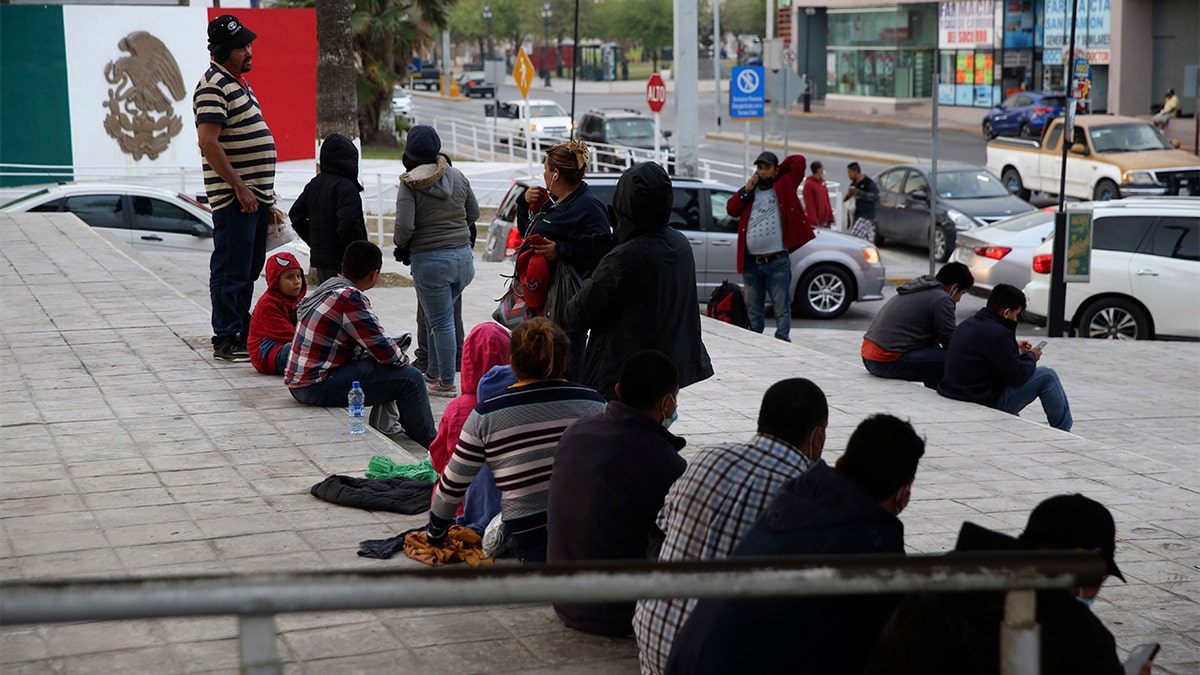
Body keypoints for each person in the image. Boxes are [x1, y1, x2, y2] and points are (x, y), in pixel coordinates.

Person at [666, 414, 926, 675]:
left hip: (684, 661)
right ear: (903, 493)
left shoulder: (794, 497)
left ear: (839, 463)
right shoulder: (874, 543)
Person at [633, 378, 829, 675]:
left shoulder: (707, 458)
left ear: (760, 421)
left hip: (656, 643)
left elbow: (660, 533)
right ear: (816, 437)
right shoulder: (810, 496)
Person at [865, 494, 1135, 675]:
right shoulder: (1079, 634)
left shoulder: (945, 577)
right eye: (1099, 577)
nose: (1096, 590)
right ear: (1082, 560)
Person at [425, 318, 607, 563]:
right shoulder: (595, 404)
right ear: (565, 361)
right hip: (592, 534)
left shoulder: (488, 412)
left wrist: (435, 534)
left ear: (512, 362)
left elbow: (452, 484)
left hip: (532, 542)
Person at [547, 350, 688, 636]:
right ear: (668, 402)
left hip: (564, 599)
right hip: (618, 612)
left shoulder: (577, 430)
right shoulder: (666, 462)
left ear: (619, 390)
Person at [561, 162, 713, 401]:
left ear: (623, 202)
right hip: (665, 374)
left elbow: (575, 314)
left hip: (621, 379)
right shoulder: (679, 244)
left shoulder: (623, 258)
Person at [284, 241, 436, 447]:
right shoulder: (350, 297)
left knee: (391, 367)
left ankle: (406, 426)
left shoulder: (331, 286)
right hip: (314, 385)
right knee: (411, 378)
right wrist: (404, 361)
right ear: (375, 274)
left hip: (300, 379)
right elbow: (383, 350)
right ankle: (431, 441)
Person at [193, 14, 276, 362]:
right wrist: (240, 187)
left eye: (249, 44)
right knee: (230, 269)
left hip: (255, 199)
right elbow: (209, 143)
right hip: (235, 199)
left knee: (248, 269)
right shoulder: (213, 84)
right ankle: (227, 337)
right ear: (224, 50)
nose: (248, 51)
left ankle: (241, 329)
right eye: (242, 47)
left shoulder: (238, 82)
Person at [394, 125, 479, 398]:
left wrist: (402, 244)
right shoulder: (458, 175)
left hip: (431, 262)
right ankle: (432, 371)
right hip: (463, 259)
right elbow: (474, 213)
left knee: (441, 322)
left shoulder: (409, 183)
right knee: (438, 318)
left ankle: (446, 383)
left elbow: (404, 227)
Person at [517, 140, 612, 379]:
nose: (544, 174)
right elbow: (526, 235)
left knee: (566, 370)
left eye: (547, 169)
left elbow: (602, 252)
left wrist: (561, 250)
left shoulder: (588, 206)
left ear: (556, 173)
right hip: (543, 304)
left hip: (566, 307)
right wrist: (523, 203)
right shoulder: (556, 202)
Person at [938, 283, 1072, 431]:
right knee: (1047, 375)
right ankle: (1064, 430)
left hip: (955, 391)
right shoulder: (1000, 334)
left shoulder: (967, 324)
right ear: (1006, 313)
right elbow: (1017, 376)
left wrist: (1014, 350)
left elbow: (991, 357)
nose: (1016, 320)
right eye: (1016, 314)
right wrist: (1031, 356)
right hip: (983, 401)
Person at [725, 151, 815, 342]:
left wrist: (778, 171)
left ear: (774, 171)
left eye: (766, 168)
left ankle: (782, 343)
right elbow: (731, 209)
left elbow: (799, 161)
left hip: (776, 261)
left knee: (781, 308)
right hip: (751, 263)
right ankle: (756, 344)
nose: (762, 172)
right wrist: (746, 190)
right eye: (759, 168)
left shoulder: (783, 186)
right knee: (754, 310)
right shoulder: (751, 191)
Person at [861, 262, 975, 389]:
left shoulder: (919, 289)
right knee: (955, 359)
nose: (958, 299)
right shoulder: (942, 299)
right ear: (954, 287)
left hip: (868, 356)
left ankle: (936, 390)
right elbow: (949, 341)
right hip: (885, 360)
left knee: (936, 356)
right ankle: (946, 393)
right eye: (962, 293)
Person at [289, 133, 367, 285]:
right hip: (345, 260)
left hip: (321, 259)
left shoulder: (315, 183)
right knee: (346, 304)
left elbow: (295, 214)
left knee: (329, 303)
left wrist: (315, 242)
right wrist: (359, 253)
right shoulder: (347, 187)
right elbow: (349, 224)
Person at [247, 251, 306, 375]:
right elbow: (291, 334)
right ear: (276, 282)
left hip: (288, 343)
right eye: (290, 277)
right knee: (309, 350)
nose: (297, 282)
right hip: (267, 353)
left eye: (299, 276)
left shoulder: (297, 301)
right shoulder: (268, 304)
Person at [846, 161, 880, 243]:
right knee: (868, 240)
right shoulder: (853, 184)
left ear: (856, 171)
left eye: (849, 172)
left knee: (854, 238)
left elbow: (876, 197)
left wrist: (860, 193)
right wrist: (849, 195)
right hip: (857, 214)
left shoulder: (868, 183)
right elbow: (847, 200)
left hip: (866, 216)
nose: (848, 175)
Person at [802, 161, 835, 229]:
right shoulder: (809, 184)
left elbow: (827, 200)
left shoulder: (823, 182)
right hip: (816, 222)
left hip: (825, 220)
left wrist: (830, 218)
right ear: (818, 170)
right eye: (822, 168)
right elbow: (810, 204)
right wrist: (814, 223)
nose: (823, 170)